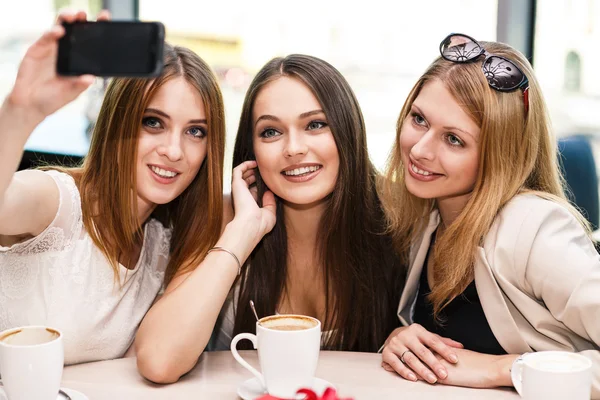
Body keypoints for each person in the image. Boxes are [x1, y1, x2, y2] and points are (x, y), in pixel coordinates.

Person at [134, 54, 405, 383]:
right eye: (271, 132)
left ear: (348, 130)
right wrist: (242, 234)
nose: (293, 148)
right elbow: (158, 361)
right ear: (252, 150)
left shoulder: (400, 218)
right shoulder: (226, 220)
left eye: (315, 125)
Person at [379, 33, 600, 397]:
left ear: (499, 155)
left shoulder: (535, 230)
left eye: (454, 139)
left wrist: (505, 368)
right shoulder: (428, 218)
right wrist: (405, 342)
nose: (419, 149)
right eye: (419, 119)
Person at [0, 10, 226, 365]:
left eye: (195, 131)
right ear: (118, 119)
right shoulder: (58, 203)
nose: (173, 151)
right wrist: (20, 111)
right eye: (153, 123)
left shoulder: (160, 244)